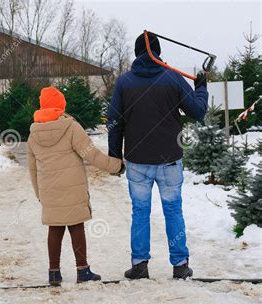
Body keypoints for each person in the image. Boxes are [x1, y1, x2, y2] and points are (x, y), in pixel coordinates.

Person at [107, 32, 208, 280]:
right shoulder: (172, 79)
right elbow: (197, 112)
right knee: (173, 210)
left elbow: (114, 121)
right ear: (158, 51)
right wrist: (202, 88)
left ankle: (140, 264)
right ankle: (180, 265)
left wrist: (114, 156)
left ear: (136, 52)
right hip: (169, 160)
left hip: (137, 160)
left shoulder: (124, 82)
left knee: (140, 212)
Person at [28, 86, 124, 286]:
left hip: (49, 190)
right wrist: (116, 166)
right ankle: (83, 271)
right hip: (73, 187)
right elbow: (92, 155)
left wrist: (40, 194)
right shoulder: (71, 127)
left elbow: (32, 169)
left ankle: (53, 273)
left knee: (54, 228)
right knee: (76, 225)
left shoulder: (33, 133)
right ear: (61, 106)